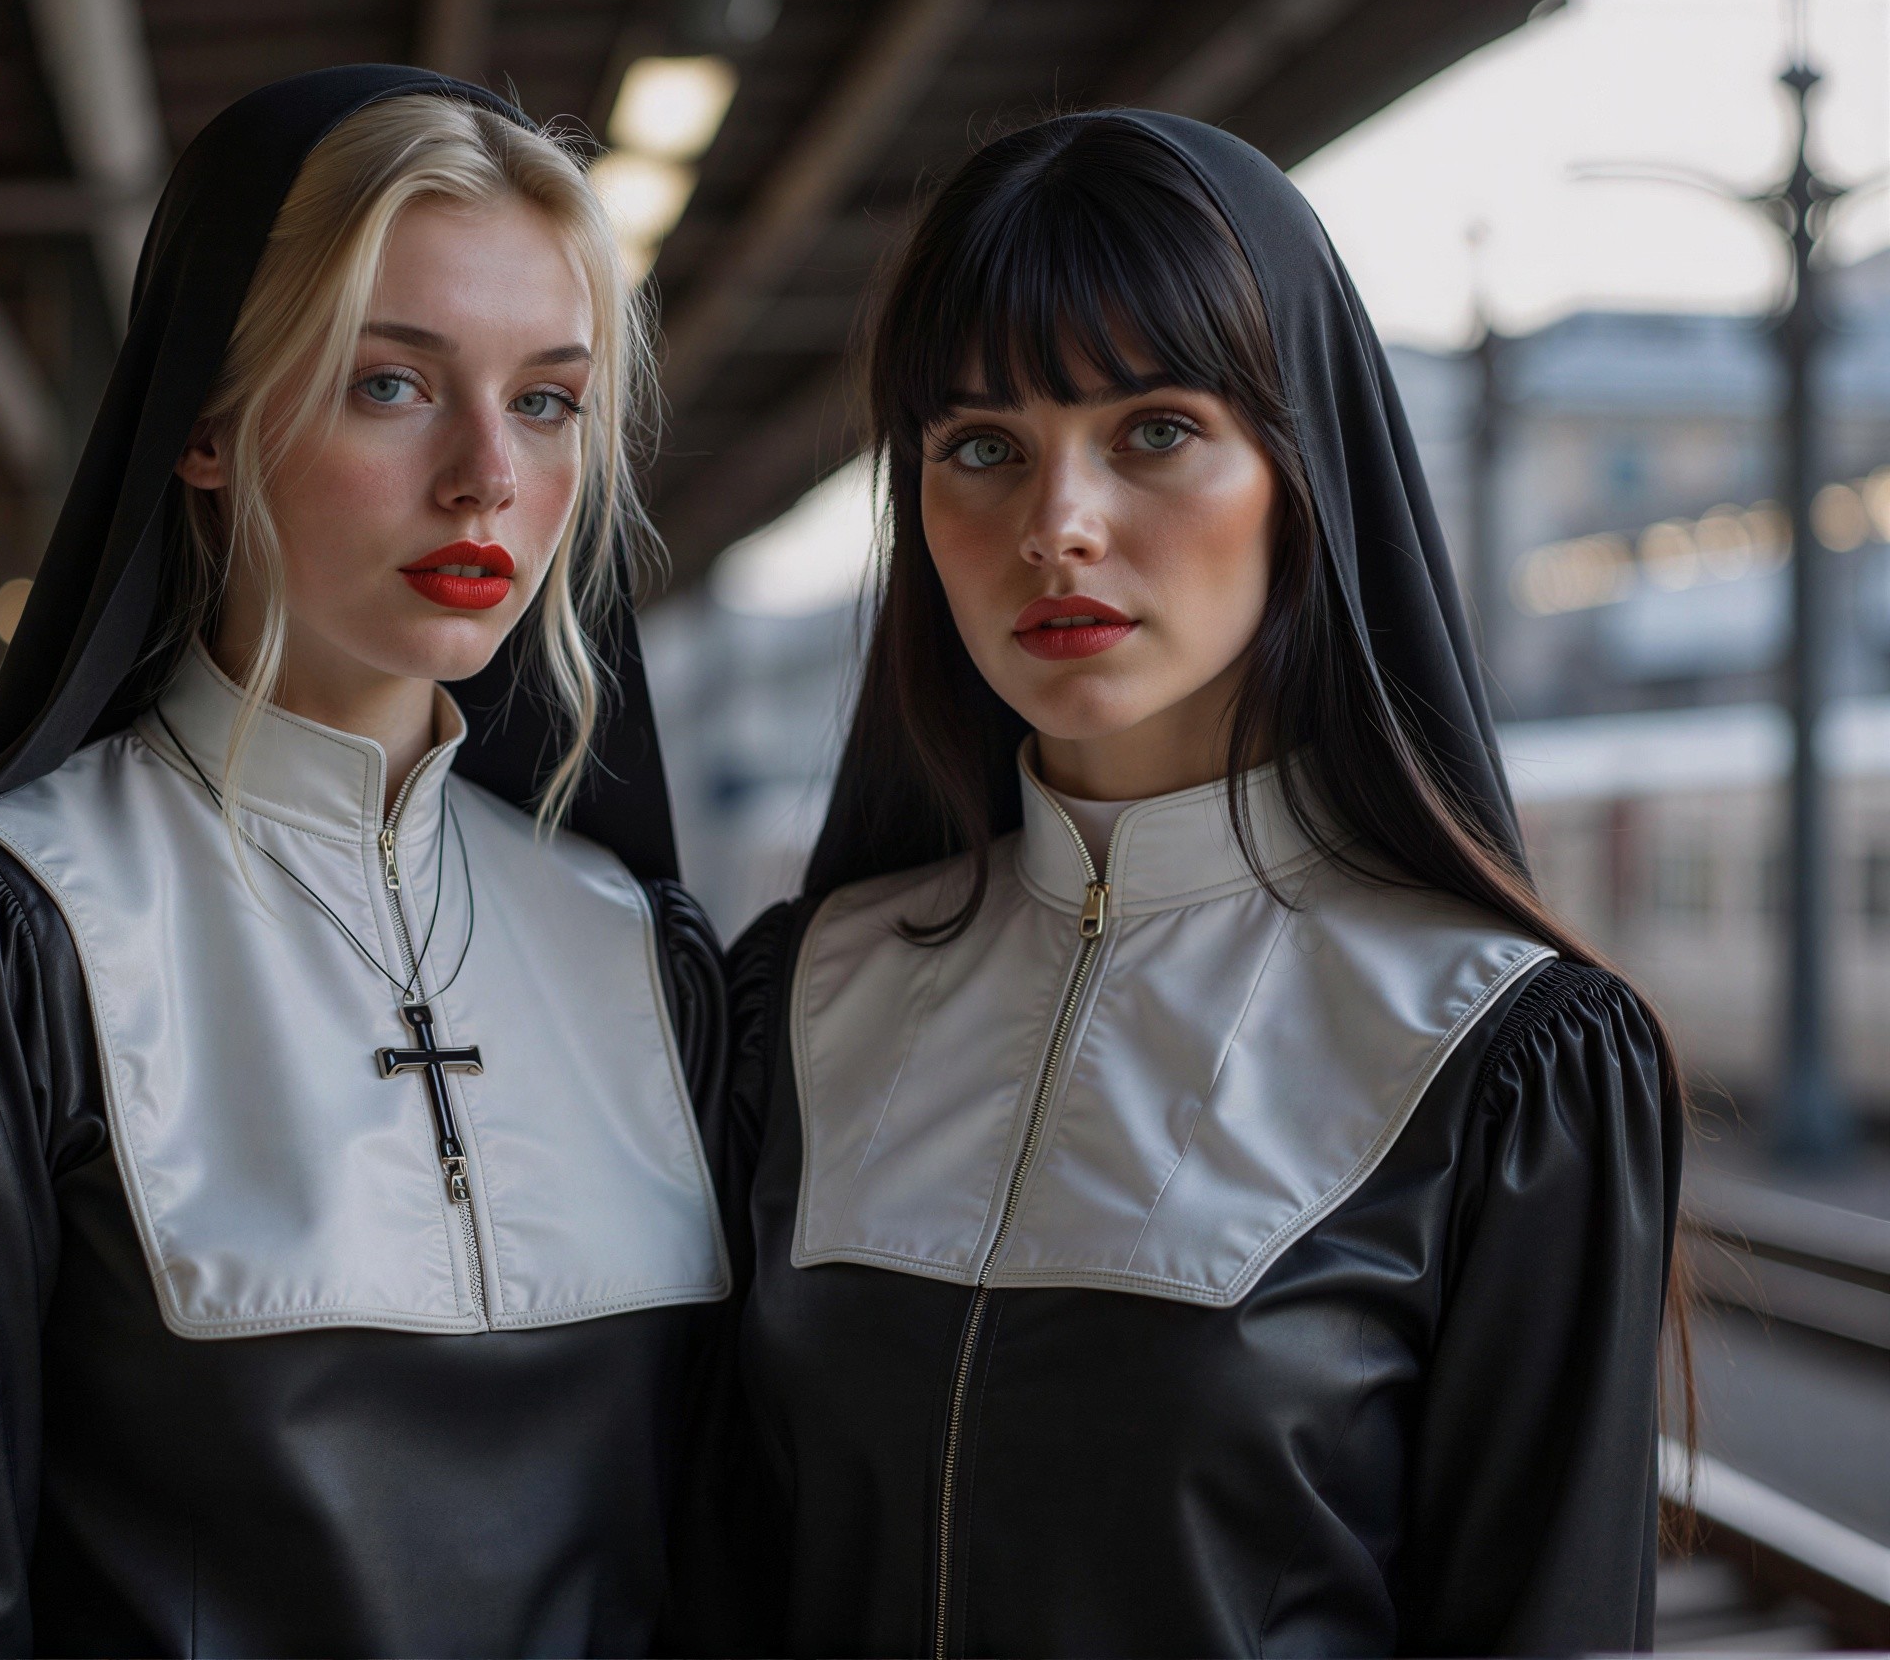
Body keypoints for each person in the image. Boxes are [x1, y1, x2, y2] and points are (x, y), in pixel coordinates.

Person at [0, 68, 730, 1658]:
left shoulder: (648, 957)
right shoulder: (8, 941)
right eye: (391, 384)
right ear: (204, 430)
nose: (489, 473)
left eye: (548, 400)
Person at [710, 110, 1685, 1658]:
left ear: (1303, 477)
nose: (1058, 526)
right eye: (980, 447)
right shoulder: (792, 1002)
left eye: (1154, 429)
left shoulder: (1504, 1057)